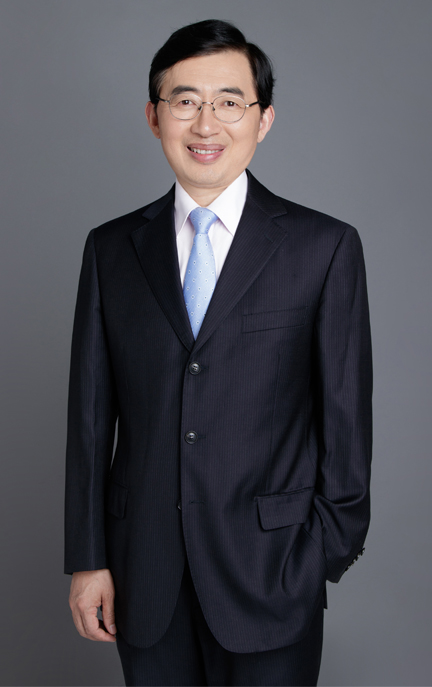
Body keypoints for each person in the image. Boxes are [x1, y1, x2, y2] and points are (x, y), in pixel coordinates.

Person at [65, 19, 372, 687]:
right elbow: (89, 420)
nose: (206, 123)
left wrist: (322, 553)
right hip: (143, 574)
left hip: (273, 573)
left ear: (263, 120)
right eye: (185, 101)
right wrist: (88, 559)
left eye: (229, 102)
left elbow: (346, 419)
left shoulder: (323, 248)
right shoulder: (111, 249)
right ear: (155, 116)